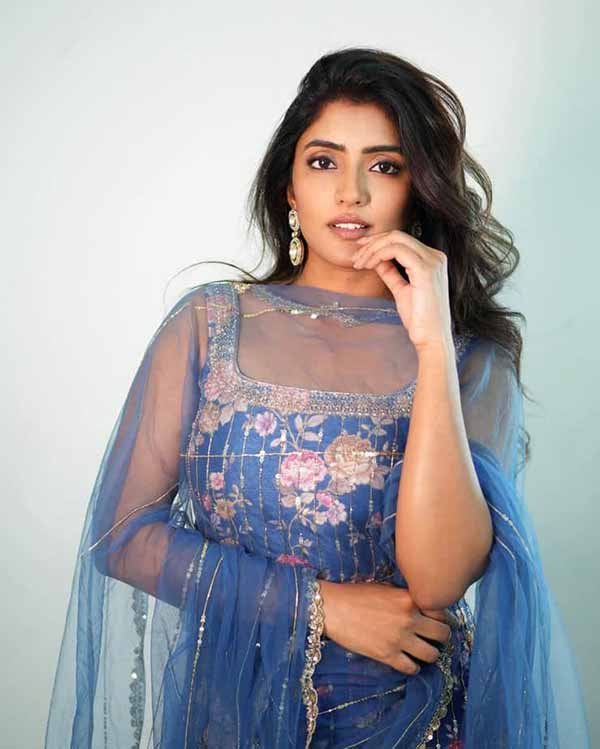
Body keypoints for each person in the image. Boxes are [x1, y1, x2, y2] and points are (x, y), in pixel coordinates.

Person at [44, 47, 590, 748]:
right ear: (289, 188)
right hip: (231, 719)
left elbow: (438, 581)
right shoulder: (208, 325)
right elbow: (122, 537)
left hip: (411, 724)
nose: (351, 192)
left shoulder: (469, 359)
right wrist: (321, 607)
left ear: (417, 189)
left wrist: (430, 344)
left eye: (384, 166)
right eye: (325, 161)